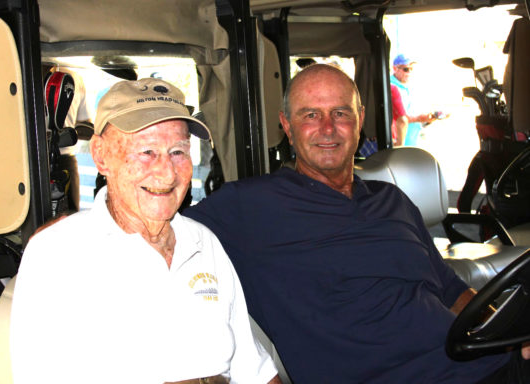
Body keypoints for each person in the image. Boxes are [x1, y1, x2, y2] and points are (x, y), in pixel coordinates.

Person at [184, 64, 530, 383]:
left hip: (488, 364)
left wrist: (507, 332)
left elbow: (452, 292)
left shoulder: (391, 200)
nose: (328, 128)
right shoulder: (246, 206)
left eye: (340, 113)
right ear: (286, 126)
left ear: (359, 119)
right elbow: (155, 237)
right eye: (310, 115)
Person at [10, 78, 281, 384]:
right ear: (100, 156)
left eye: (178, 151)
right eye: (147, 151)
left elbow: (252, 368)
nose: (167, 172)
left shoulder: (204, 242)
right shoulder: (57, 254)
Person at [390, 53, 439, 146]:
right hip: (400, 143)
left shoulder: (409, 86)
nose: (409, 73)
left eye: (411, 69)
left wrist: (427, 119)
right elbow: (399, 118)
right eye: (406, 69)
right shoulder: (391, 87)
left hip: (412, 141)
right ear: (395, 68)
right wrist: (419, 118)